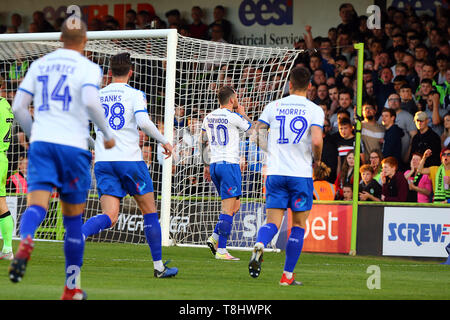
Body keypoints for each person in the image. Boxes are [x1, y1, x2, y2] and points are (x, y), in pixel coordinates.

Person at [9, 17, 116, 300]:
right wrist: (105, 133)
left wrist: (35, 134)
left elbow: (19, 106)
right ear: (84, 41)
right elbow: (92, 102)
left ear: (59, 39)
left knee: (36, 205)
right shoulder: (89, 67)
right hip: (73, 147)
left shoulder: (39, 64)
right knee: (72, 220)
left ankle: (27, 239)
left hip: (43, 145)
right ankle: (71, 289)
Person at [81, 52, 178, 278]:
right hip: (130, 161)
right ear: (131, 72)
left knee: (110, 216)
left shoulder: (96, 95)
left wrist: (96, 145)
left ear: (109, 73)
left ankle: (79, 235)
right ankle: (158, 267)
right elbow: (143, 122)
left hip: (104, 162)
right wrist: (164, 141)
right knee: (149, 212)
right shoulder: (135, 94)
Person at [248, 66, 324, 286]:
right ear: (309, 86)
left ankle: (261, 243)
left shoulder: (273, 106)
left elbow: (255, 133)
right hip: (300, 174)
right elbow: (317, 141)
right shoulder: (314, 109)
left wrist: (268, 149)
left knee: (272, 221)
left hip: (275, 172)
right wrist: (317, 161)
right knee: (298, 225)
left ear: (289, 85)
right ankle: (287, 276)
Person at [201, 86, 252, 261]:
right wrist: (243, 113)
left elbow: (203, 141)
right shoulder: (234, 117)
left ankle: (214, 238)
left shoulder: (208, 117)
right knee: (228, 209)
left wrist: (205, 164)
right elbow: (253, 130)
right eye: (236, 98)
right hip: (229, 165)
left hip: (214, 165)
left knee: (234, 207)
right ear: (232, 100)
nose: (237, 100)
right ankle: (221, 249)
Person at [0, 96, 14, 260]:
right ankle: (7, 249)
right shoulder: (5, 104)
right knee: (1, 204)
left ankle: (8, 249)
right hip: (2, 157)